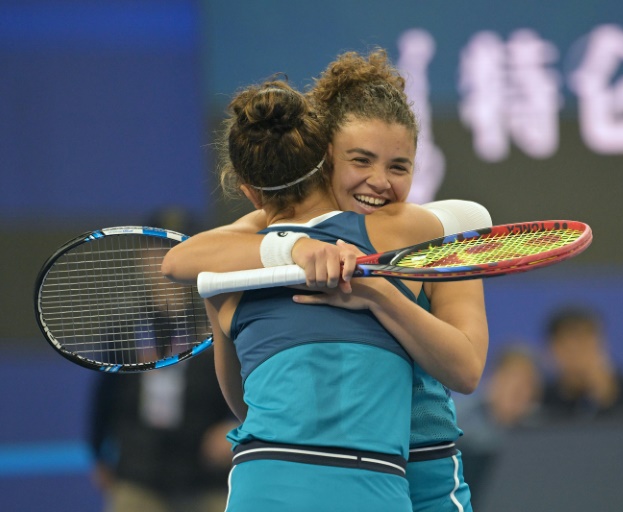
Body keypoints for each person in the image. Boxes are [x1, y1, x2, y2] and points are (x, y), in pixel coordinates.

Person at [163, 49, 489, 512]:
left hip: (427, 472)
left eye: (399, 167)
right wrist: (294, 249)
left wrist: (377, 294)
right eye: (361, 160)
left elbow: (467, 369)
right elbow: (184, 257)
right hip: (361, 475)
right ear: (324, 160)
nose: (380, 182)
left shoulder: (436, 240)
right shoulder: (256, 241)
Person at [89, 206, 236, 512]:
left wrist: (234, 430)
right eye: (156, 252)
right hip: (139, 476)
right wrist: (98, 456)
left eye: (177, 251)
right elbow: (103, 397)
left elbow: (250, 394)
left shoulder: (223, 321)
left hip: (206, 477)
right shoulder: (123, 328)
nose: (166, 263)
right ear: (141, 259)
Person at [540, 306, 623, 421]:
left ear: (602, 345)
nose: (577, 356)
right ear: (551, 349)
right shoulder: (540, 399)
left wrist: (606, 396)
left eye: (584, 345)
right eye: (568, 347)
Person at [455, 345, 542, 499]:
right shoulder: (459, 419)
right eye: (510, 379)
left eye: (526, 384)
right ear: (492, 380)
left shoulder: (543, 429)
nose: (517, 389)